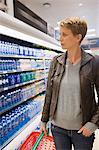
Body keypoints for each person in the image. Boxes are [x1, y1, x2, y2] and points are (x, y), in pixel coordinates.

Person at [40, 16, 99, 150]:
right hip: (58, 129)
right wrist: (44, 120)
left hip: (82, 131)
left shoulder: (94, 62)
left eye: (65, 35)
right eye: (60, 34)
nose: (60, 38)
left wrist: (93, 124)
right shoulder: (56, 61)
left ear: (78, 37)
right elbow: (49, 93)